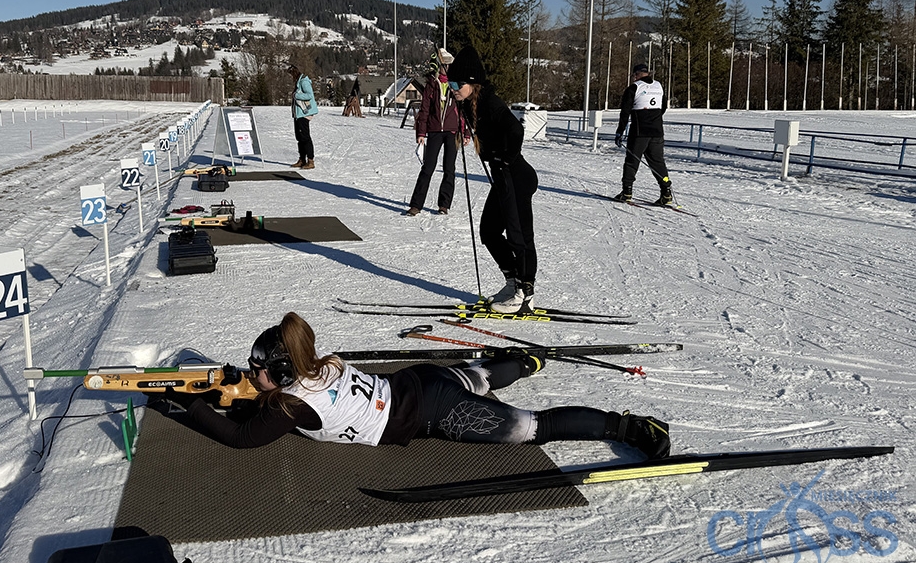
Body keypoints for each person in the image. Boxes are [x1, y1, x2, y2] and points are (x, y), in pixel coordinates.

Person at [147, 311, 670, 460]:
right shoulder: (318, 362)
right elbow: (257, 396)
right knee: (481, 377)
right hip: (420, 381)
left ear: (283, 374)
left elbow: (241, 438)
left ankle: (632, 426)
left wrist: (184, 402)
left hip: (434, 413)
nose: (254, 375)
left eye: (261, 370)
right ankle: (525, 363)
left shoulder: (290, 406)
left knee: (534, 428)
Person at [448, 46, 538, 314]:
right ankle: (512, 282)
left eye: (457, 83)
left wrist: (505, 158)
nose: (453, 87)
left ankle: (525, 291)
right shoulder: (468, 103)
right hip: (502, 176)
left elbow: (516, 129)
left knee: (519, 236)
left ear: (472, 82)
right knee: (489, 231)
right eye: (450, 83)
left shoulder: (490, 101)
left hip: (515, 175)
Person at [403, 49, 470, 217]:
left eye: (449, 65)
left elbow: (463, 111)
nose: (446, 68)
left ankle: (444, 204)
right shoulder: (432, 84)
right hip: (434, 130)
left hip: (452, 132)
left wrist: (466, 132)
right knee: (428, 168)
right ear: (439, 66)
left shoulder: (456, 85)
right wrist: (421, 132)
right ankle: (416, 205)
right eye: (444, 65)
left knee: (449, 169)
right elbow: (424, 110)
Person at [614, 63, 673, 205]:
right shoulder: (658, 86)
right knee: (658, 163)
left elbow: (625, 112)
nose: (633, 77)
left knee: (631, 162)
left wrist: (619, 131)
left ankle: (627, 192)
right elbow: (663, 107)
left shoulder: (634, 87)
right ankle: (666, 193)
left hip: (640, 132)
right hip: (657, 131)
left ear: (638, 74)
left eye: (635, 75)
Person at [288, 64, 318, 169]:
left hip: (304, 114)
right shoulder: (298, 82)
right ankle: (302, 159)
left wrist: (296, 95)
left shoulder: (304, 81)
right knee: (299, 137)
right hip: (298, 114)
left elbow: (310, 95)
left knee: (305, 137)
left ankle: (310, 160)